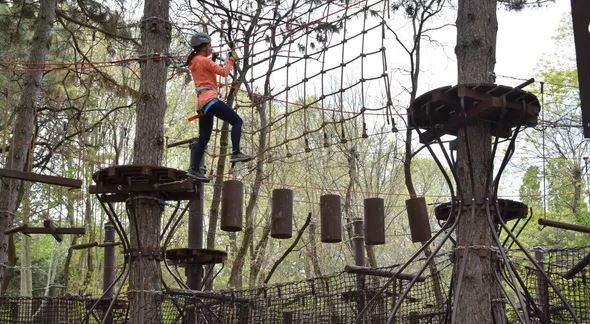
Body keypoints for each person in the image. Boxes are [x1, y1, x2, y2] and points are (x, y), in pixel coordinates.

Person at [186, 32, 251, 181]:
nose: (211, 47)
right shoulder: (204, 60)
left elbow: (205, 72)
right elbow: (224, 72)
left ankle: (194, 169)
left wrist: (213, 58)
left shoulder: (194, 61)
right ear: (203, 47)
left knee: (204, 138)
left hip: (201, 104)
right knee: (237, 121)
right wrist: (231, 60)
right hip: (210, 100)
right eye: (209, 45)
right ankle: (235, 152)